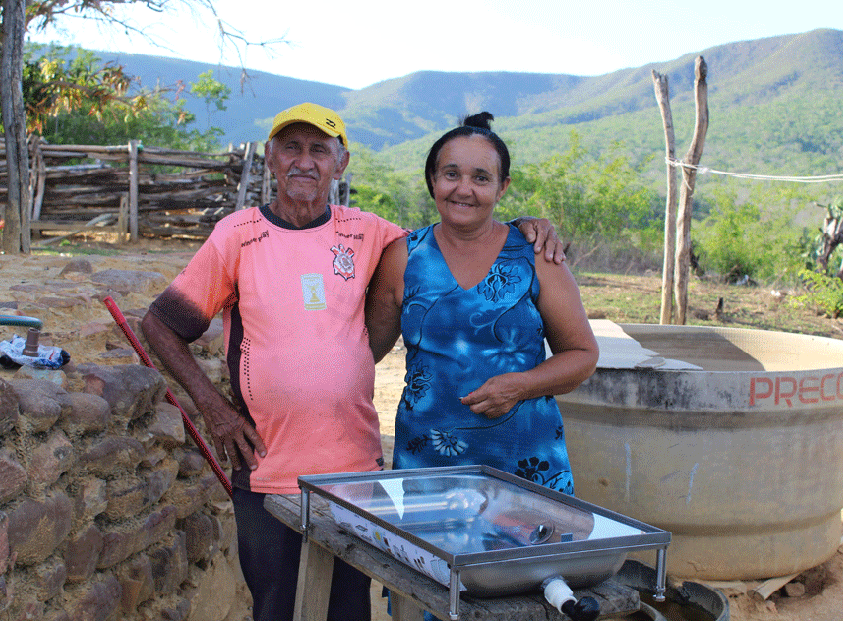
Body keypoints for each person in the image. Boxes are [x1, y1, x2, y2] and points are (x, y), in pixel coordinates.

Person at [140, 103, 565, 621]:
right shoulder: (237, 235)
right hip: (267, 465)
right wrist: (215, 409)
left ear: (340, 163)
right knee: (274, 607)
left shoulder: (371, 234)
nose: (304, 161)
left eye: (319, 150)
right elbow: (159, 324)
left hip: (356, 475)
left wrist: (524, 226)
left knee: (347, 610)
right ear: (271, 157)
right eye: (291, 148)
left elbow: (458, 229)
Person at [365, 112, 599, 496]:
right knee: (430, 555)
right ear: (433, 180)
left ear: (503, 187)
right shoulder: (403, 258)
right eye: (451, 174)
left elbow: (583, 354)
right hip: (429, 462)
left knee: (529, 557)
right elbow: (363, 352)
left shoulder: (534, 254)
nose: (464, 189)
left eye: (481, 178)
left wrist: (520, 385)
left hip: (525, 460)